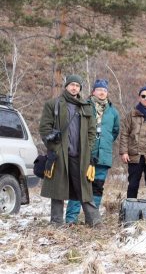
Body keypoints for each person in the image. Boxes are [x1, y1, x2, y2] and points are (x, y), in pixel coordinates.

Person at [39, 74, 100, 227]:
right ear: (66, 86)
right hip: (60, 156)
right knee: (57, 191)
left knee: (85, 189)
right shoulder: (53, 104)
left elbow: (92, 131)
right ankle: (56, 223)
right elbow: (44, 129)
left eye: (77, 86)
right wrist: (55, 149)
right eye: (72, 84)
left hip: (81, 157)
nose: (74, 88)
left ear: (80, 89)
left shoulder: (86, 106)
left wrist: (88, 148)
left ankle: (94, 222)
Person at [65, 79, 120, 223]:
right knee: (79, 186)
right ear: (93, 91)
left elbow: (115, 131)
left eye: (105, 90)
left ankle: (92, 219)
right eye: (99, 89)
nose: (102, 92)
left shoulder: (113, 111)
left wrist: (104, 142)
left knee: (97, 187)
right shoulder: (84, 106)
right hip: (84, 153)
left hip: (103, 155)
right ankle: (71, 219)